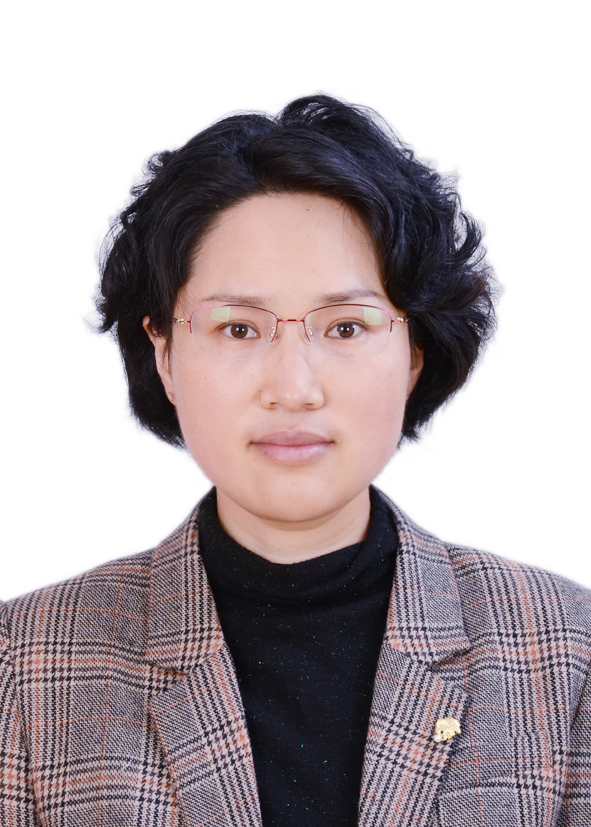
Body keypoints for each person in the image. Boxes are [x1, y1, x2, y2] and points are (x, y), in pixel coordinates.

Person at [0, 95, 589, 827]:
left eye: (344, 327)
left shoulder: (564, 653)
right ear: (165, 354)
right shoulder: (25, 666)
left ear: (414, 352)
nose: (293, 388)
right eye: (238, 328)